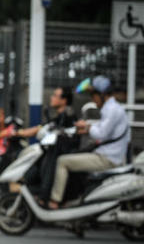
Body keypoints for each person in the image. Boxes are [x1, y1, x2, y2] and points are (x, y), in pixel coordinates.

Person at [48, 75, 130, 209]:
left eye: (93, 96)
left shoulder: (112, 110)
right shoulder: (111, 108)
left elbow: (101, 133)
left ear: (101, 95)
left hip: (107, 158)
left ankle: (54, 202)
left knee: (63, 161)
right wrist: (87, 126)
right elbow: (103, 128)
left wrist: (87, 127)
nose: (93, 100)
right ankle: (76, 199)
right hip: (108, 155)